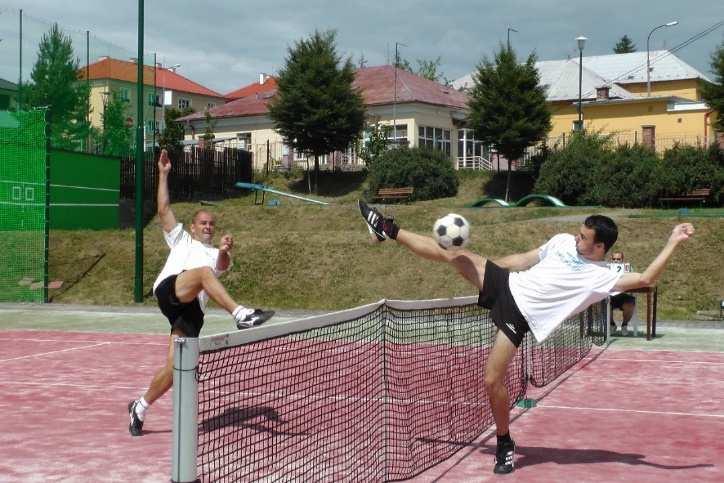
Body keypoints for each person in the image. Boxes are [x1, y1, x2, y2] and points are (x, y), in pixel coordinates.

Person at [358, 200, 694, 474]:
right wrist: (492, 268)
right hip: (507, 285)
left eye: (583, 237)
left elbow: (648, 277)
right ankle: (387, 227)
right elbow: (525, 259)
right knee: (452, 255)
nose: (576, 238)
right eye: (578, 233)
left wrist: (673, 241)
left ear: (599, 246)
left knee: (492, 381)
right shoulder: (562, 241)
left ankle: (504, 442)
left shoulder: (601, 276)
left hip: (520, 317)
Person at [128, 149, 274, 437]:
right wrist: (163, 174)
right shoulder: (181, 239)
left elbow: (220, 266)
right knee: (203, 275)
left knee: (173, 369)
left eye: (211, 224)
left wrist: (222, 251)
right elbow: (163, 210)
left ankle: (140, 406)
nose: (208, 227)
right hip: (171, 289)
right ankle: (240, 314)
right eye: (203, 223)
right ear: (193, 226)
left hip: (191, 313)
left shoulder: (215, 255)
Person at [608, 251, 636, 336]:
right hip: (610, 296)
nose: (616, 261)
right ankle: (612, 325)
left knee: (630, 304)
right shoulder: (607, 268)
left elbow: (632, 280)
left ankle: (624, 325)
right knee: (602, 303)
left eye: (618, 259)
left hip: (624, 295)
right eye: (614, 259)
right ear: (611, 260)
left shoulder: (628, 268)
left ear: (622, 260)